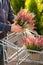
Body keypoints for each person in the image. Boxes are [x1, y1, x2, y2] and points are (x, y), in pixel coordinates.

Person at [0, 0, 23, 65]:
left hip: (4, 39)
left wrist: (18, 22)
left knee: (3, 61)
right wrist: (9, 28)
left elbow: (10, 14)